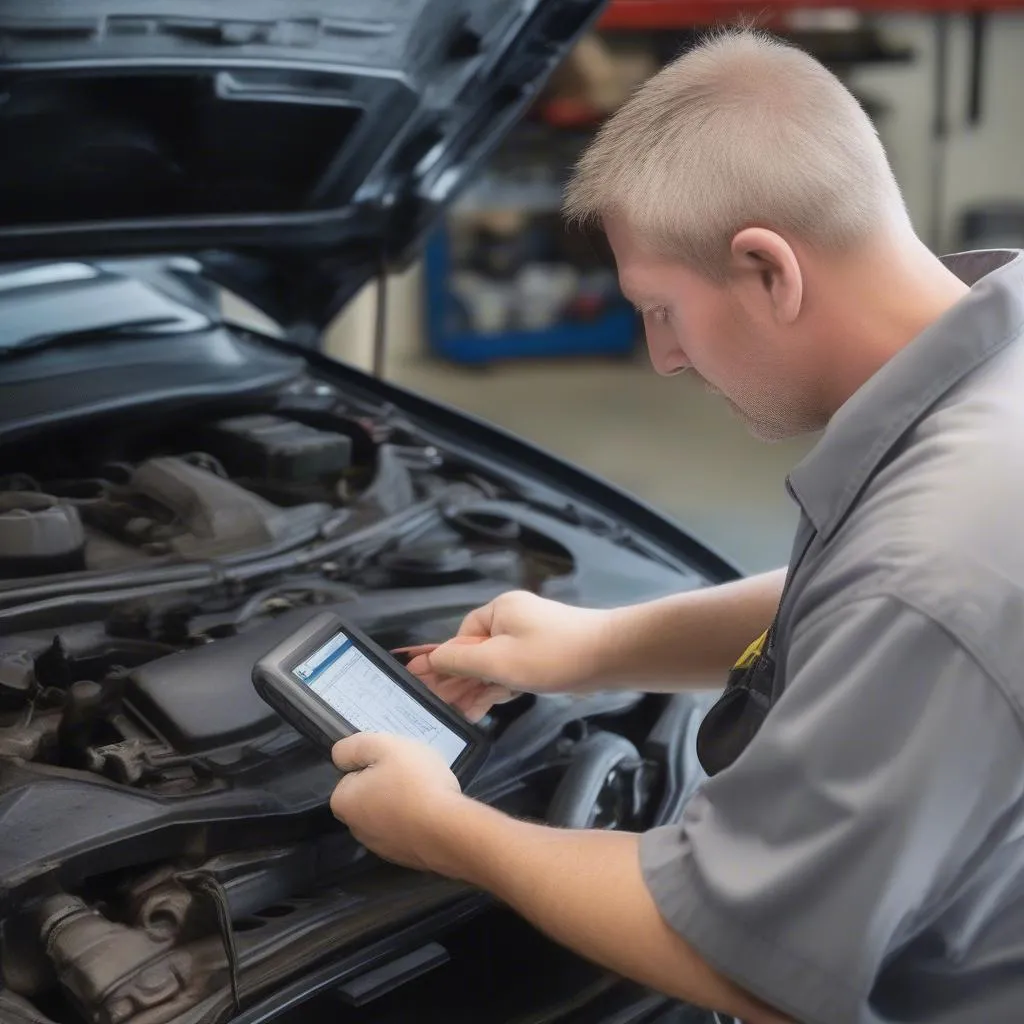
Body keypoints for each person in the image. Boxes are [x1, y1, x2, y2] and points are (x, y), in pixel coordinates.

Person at [328, 27, 1024, 1024]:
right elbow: (856, 600)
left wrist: (444, 827)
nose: (662, 359)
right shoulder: (993, 361)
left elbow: (745, 963)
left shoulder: (933, 562)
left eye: (660, 309)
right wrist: (600, 645)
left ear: (766, 269)